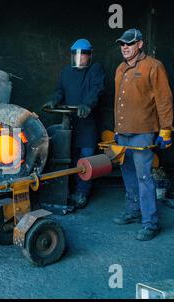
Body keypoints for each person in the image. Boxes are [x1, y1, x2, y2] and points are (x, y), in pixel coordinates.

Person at [112, 28, 174, 241]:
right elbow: (117, 103)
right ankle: (133, 211)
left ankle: (150, 223)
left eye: (129, 43)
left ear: (140, 44)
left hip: (142, 133)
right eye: (122, 44)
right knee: (128, 174)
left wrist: (165, 129)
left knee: (144, 177)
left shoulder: (153, 66)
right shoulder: (120, 69)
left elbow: (164, 100)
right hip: (123, 132)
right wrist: (117, 129)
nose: (125, 47)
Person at [43, 39, 105, 209]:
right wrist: (54, 101)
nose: (79, 58)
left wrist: (87, 104)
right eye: (76, 55)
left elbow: (97, 89)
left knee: (86, 160)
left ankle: (83, 193)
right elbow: (60, 90)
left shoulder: (95, 70)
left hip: (87, 125)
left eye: (83, 55)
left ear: (89, 55)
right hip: (71, 124)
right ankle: (68, 191)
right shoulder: (66, 72)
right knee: (71, 158)